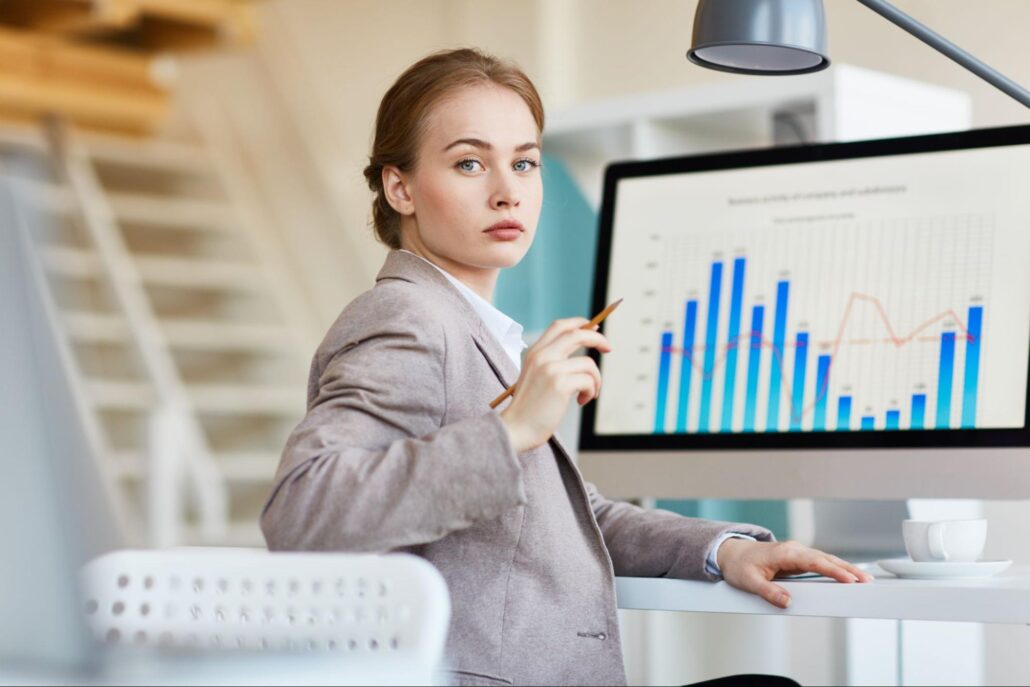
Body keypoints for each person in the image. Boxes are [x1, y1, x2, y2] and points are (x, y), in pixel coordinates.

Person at [260, 47, 872, 687]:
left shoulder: (470, 327)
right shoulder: (406, 320)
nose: (507, 192)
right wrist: (512, 431)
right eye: (470, 163)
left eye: (524, 163)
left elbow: (581, 519)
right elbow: (300, 514)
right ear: (400, 187)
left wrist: (727, 550)